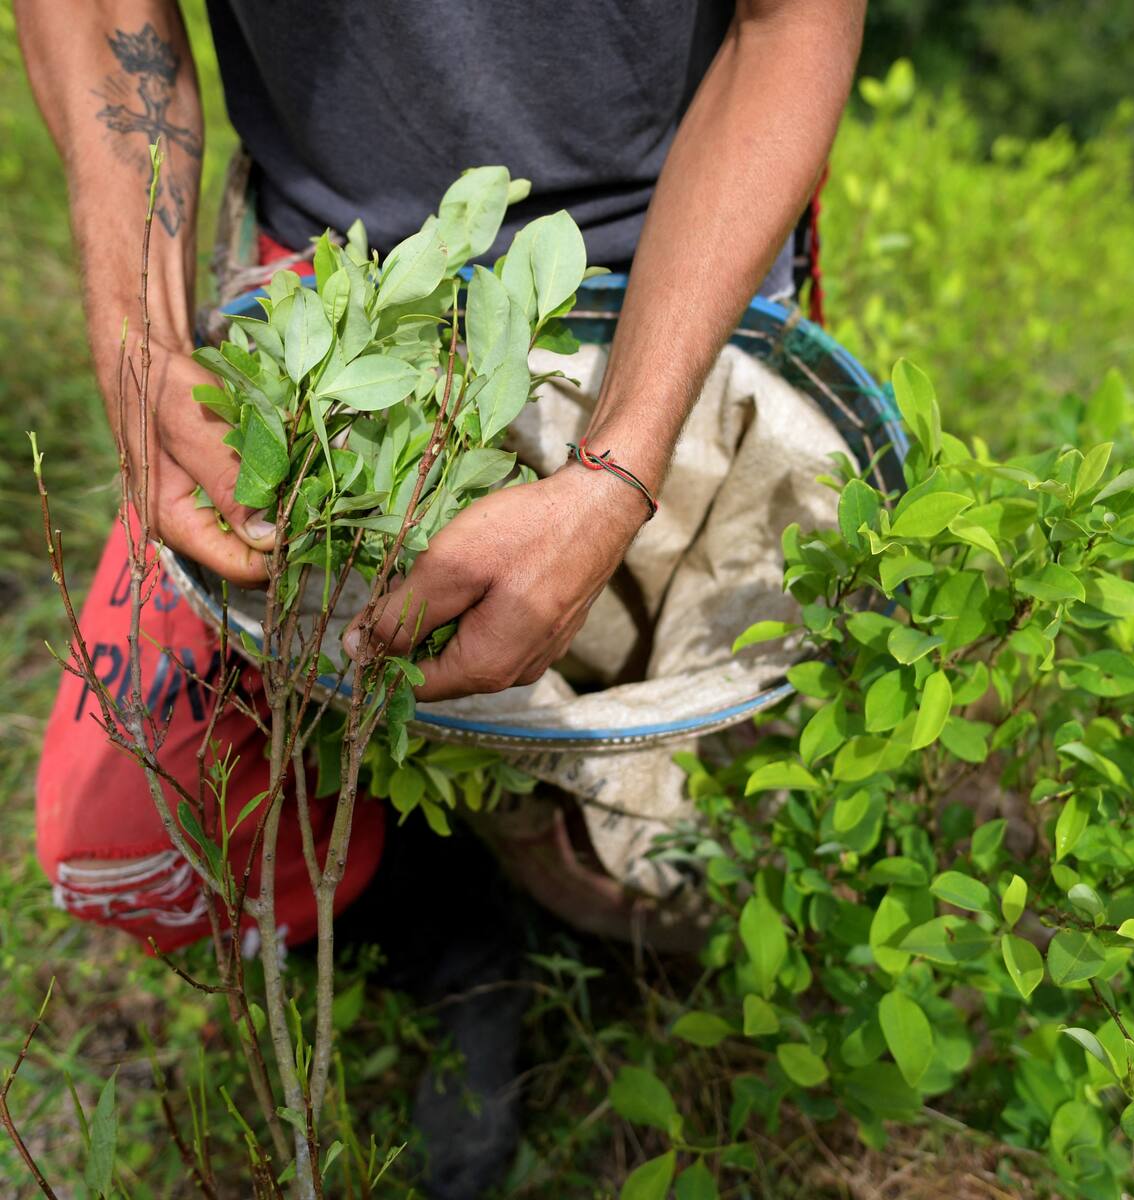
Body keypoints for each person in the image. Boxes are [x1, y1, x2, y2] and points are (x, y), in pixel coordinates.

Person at [16, 1, 865, 1194]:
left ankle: (558, 877)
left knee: (691, 851)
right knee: (132, 844)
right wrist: (140, 339)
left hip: (667, 279)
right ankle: (450, 925)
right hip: (333, 286)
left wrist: (617, 469)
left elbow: (793, 25)